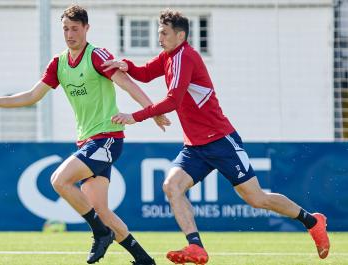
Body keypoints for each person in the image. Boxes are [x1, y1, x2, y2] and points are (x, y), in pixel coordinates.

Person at [103, 9, 330, 265]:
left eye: (164, 34)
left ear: (180, 35)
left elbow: (173, 100)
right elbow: (145, 73)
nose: (160, 38)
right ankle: (196, 247)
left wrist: (136, 116)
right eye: (159, 33)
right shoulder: (169, 57)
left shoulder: (184, 57)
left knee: (256, 199)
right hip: (195, 147)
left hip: (221, 140)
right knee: (172, 187)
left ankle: (312, 221)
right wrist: (127, 65)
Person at [0, 5, 167, 265]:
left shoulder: (97, 55)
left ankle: (100, 233)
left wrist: (151, 110)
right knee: (101, 211)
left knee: (58, 180)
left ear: (87, 28)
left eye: (75, 28)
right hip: (88, 141)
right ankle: (143, 259)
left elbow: (127, 83)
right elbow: (33, 95)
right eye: (65, 28)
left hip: (107, 137)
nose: (70, 34)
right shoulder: (59, 63)